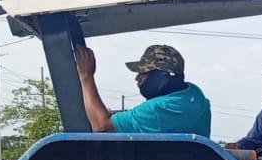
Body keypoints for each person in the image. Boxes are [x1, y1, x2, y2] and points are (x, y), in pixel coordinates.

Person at [72, 43, 211, 136]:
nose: (137, 78)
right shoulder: (195, 95)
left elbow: (101, 126)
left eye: (143, 73)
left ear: (161, 76)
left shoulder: (157, 110)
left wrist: (86, 76)